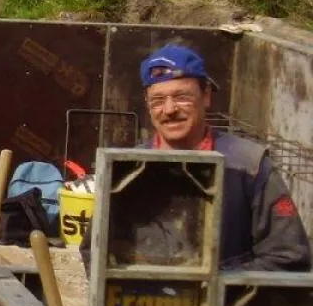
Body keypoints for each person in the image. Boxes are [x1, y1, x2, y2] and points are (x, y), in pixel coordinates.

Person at [83, 43, 310, 273]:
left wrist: (214, 289)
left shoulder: (248, 164)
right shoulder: (126, 171)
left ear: (206, 96)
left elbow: (289, 256)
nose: (169, 109)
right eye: (158, 100)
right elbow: (94, 253)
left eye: (182, 97)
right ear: (147, 105)